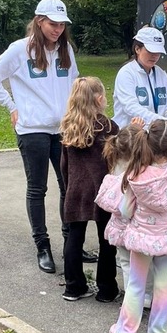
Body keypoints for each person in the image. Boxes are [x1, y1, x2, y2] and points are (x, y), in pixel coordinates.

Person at [0, 0, 88, 274]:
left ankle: (71, 244)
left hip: (64, 129)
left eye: (62, 25)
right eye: (53, 24)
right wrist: (11, 106)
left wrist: (78, 114)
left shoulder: (66, 50)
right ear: (39, 21)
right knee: (37, 188)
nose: (58, 29)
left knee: (69, 186)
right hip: (33, 131)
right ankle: (43, 245)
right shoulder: (20, 50)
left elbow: (75, 83)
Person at [106, 119, 167, 333]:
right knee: (163, 286)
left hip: (142, 238)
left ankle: (126, 332)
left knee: (136, 285)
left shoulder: (137, 176)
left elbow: (125, 211)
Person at [59, 77, 119, 302]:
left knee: (74, 238)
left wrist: (68, 186)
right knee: (107, 240)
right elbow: (116, 160)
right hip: (103, 190)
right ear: (99, 98)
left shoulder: (67, 127)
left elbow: (63, 165)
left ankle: (73, 286)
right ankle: (106, 289)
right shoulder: (109, 127)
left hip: (76, 189)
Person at [95, 120, 144, 296]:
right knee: (145, 263)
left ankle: (132, 296)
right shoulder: (140, 171)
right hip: (140, 226)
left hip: (119, 225)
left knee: (125, 261)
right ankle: (146, 294)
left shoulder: (114, 167)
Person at [112, 27, 167, 128]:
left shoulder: (160, 73)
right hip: (131, 137)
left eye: (158, 52)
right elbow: (131, 107)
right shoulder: (126, 74)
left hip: (158, 134)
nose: (154, 56)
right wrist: (162, 122)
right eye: (150, 51)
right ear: (137, 49)